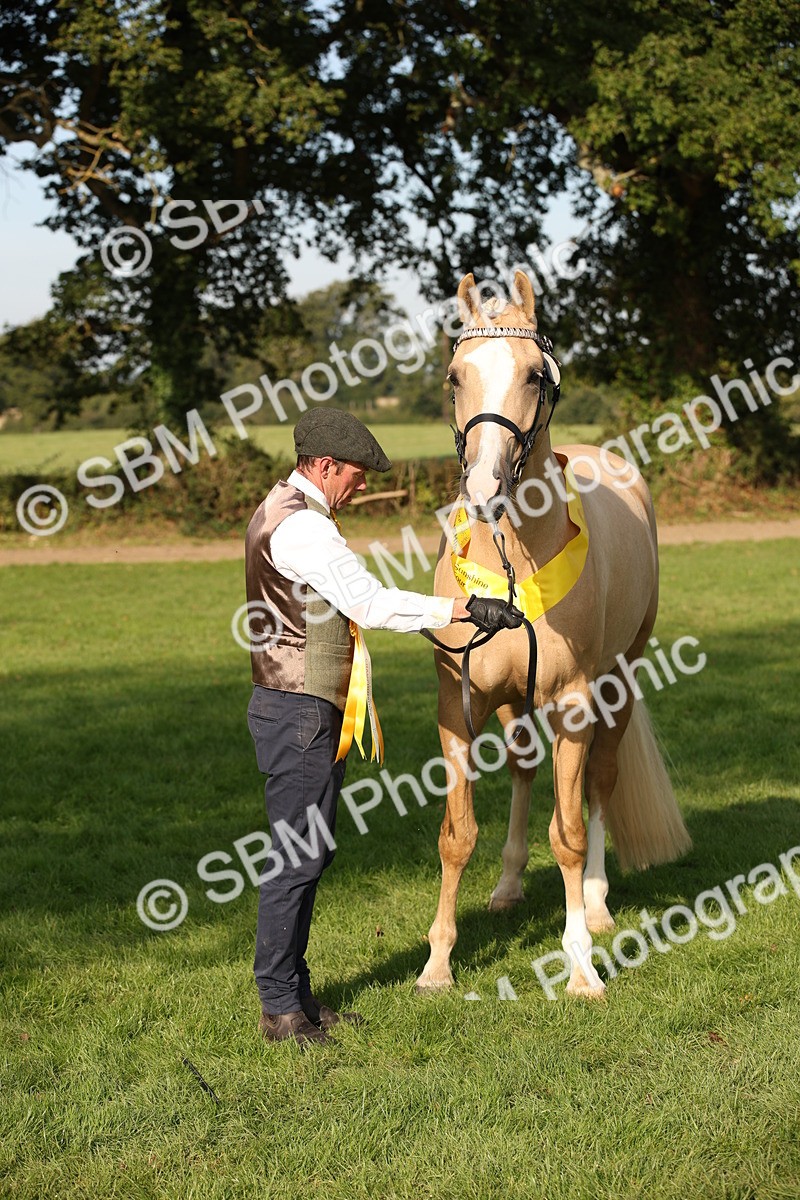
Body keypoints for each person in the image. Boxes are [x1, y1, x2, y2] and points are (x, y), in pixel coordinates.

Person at [244, 407, 521, 1047]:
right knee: (297, 856)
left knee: (310, 852)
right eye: (355, 473)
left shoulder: (284, 505)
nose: (363, 484)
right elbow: (368, 602)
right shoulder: (304, 530)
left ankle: (300, 998)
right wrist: (462, 606)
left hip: (300, 709)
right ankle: (281, 1009)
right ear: (322, 466)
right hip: (300, 713)